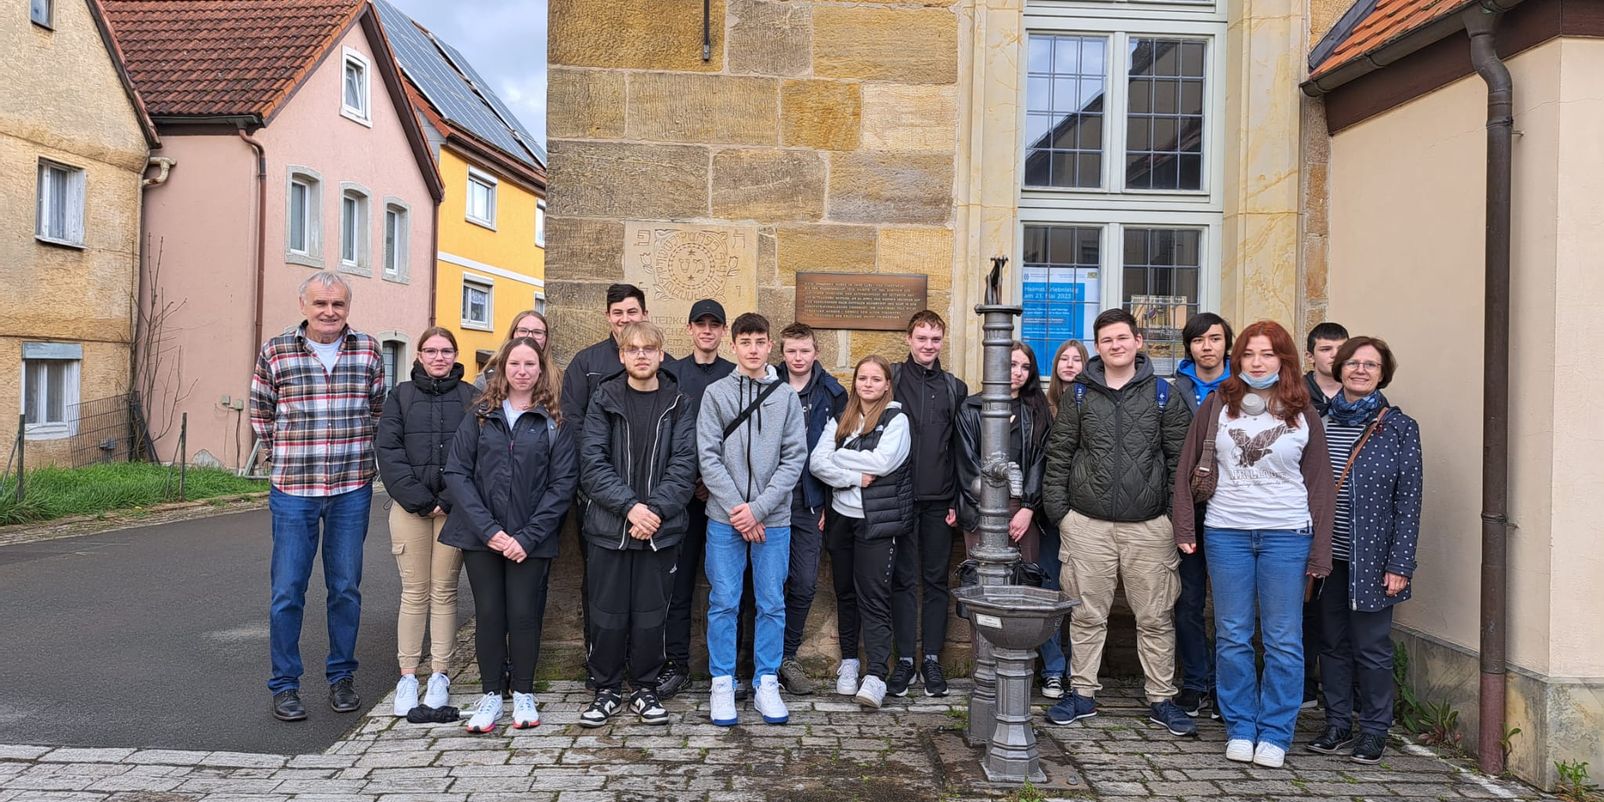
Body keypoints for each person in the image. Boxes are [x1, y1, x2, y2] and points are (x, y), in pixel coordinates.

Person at [1171, 320, 1335, 768]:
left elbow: (1320, 487)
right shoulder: (1218, 406)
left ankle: (1277, 732)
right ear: (1237, 359)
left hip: (1287, 535)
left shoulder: (1304, 412)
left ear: (1284, 360)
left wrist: (1320, 551)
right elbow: (1187, 468)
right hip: (1226, 533)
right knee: (1232, 635)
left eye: (1267, 354)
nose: (1257, 362)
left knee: (1283, 638)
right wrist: (1185, 528)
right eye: (1249, 354)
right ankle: (1241, 725)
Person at [1041, 308, 1195, 737]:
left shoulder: (1164, 394)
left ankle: (1162, 698)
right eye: (1106, 340)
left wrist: (1169, 520)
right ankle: (1083, 693)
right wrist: (1062, 515)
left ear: (1139, 341)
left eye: (1122, 338)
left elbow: (1179, 463)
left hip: (1149, 528)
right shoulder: (1078, 395)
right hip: (1086, 525)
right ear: (1098, 347)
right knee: (1087, 617)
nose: (1115, 345)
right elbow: (1060, 455)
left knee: (1155, 617)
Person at [250, 271, 386, 723]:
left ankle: (341, 677)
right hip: (294, 489)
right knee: (288, 590)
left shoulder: (368, 349)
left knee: (345, 587)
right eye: (321, 303)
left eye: (338, 304)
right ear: (303, 305)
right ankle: (285, 685)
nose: (330, 311)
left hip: (351, 485)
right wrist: (281, 455)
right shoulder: (276, 350)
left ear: (348, 307)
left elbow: (378, 409)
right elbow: (260, 410)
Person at [442, 337, 577, 733]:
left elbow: (562, 484)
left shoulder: (554, 421)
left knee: (522, 616)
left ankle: (522, 693)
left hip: (529, 541)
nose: (521, 370)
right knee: (489, 615)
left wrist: (526, 537)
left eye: (529, 364)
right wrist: (491, 532)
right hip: (481, 538)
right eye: (514, 363)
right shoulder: (480, 415)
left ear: (541, 369)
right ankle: (489, 696)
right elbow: (456, 473)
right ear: (502, 369)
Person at [577, 322, 699, 727]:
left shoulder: (679, 401)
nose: (641, 354)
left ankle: (646, 688)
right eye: (633, 349)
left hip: (659, 532)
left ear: (662, 354)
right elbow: (592, 464)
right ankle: (606, 689)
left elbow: (685, 465)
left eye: (649, 348)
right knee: (606, 613)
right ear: (622, 355)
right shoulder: (603, 398)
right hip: (610, 527)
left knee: (651, 614)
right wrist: (631, 508)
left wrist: (655, 512)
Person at [1307, 336, 1422, 765]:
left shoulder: (1399, 428)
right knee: (1331, 643)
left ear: (1382, 373)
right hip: (1324, 557)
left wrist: (1400, 563)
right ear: (1339, 369)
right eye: (1352, 362)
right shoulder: (1317, 420)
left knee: (1372, 647)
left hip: (1372, 560)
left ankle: (1374, 729)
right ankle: (1337, 722)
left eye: (1370, 365)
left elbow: (1409, 500)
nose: (1360, 370)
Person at [696, 313, 807, 726]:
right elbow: (707, 456)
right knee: (723, 602)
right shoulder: (715, 394)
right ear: (734, 345)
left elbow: (795, 457)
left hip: (772, 520)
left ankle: (765, 681)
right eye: (746, 342)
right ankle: (722, 682)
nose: (754, 349)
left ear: (768, 346)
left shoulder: (785, 398)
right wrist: (738, 511)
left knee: (771, 603)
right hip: (725, 519)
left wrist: (757, 509)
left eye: (760, 341)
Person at [375, 326, 477, 716]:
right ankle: (407, 675)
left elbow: (477, 454)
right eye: (431, 350)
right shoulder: (399, 397)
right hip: (410, 509)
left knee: (445, 590)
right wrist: (421, 500)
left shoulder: (471, 397)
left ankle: (440, 673)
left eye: (446, 351)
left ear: (455, 355)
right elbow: (389, 452)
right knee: (414, 591)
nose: (439, 357)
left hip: (456, 509)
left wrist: (450, 498)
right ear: (419, 355)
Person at [809, 355, 913, 709]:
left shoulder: (896, 420)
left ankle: (877, 675)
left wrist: (839, 456)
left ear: (886, 384)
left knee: (874, 596)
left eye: (875, 379)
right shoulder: (842, 418)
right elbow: (817, 462)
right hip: (841, 518)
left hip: (876, 522)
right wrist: (852, 473)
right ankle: (850, 662)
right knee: (845, 593)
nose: (868, 384)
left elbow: (883, 462)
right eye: (862, 378)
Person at [955, 342, 1055, 695]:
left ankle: (1018, 675)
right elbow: (966, 462)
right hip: (982, 510)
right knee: (982, 589)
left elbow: (1042, 460)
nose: (1016, 372)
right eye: (1010, 364)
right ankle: (984, 672)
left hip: (1023, 510)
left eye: (1024, 367)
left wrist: (1028, 506)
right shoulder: (971, 408)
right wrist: (988, 510)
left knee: (1023, 587)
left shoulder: (1036, 411)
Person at [888, 310, 968, 698]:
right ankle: (904, 660)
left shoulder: (955, 388)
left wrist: (957, 499)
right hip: (899, 500)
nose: (928, 345)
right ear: (909, 338)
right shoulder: (892, 380)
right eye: (921, 338)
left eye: (935, 339)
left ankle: (932, 659)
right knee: (902, 581)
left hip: (940, 502)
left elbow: (962, 449)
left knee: (936, 582)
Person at [658, 299, 735, 698]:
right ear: (689, 329)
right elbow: (668, 433)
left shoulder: (736, 375)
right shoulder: (672, 373)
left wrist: (714, 483)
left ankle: (731, 668)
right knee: (679, 584)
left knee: (729, 587)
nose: (707, 331)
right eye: (700, 324)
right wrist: (689, 482)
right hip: (682, 497)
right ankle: (676, 664)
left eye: (714, 325)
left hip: (727, 498)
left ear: (723, 332)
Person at [1168, 312, 1235, 717]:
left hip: (1235, 510)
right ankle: (1195, 682)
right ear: (1188, 346)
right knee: (1188, 601)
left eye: (1215, 339)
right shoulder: (1175, 390)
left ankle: (1226, 688)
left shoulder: (1243, 389)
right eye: (1198, 340)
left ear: (1228, 344)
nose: (1206, 346)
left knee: (1232, 605)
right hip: (1188, 508)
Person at [777, 322, 847, 695]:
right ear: (782, 353)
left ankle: (787, 656)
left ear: (816, 352)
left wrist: (827, 503)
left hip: (810, 503)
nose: (798, 358)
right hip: (769, 501)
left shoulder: (833, 393)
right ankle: (760, 662)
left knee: (803, 584)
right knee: (765, 585)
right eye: (791, 351)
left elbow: (841, 452)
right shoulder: (767, 385)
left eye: (805, 351)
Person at [1300, 320, 1348, 708]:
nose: (1334, 357)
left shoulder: (1366, 398)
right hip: (1300, 507)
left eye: (1340, 350)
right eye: (1327, 350)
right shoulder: (1295, 395)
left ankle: (1341, 690)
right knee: (1300, 603)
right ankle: (1302, 685)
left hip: (1346, 515)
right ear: (1310, 354)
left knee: (1334, 604)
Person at [561, 283, 649, 423]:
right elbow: (572, 416)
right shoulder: (585, 362)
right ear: (608, 316)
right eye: (617, 313)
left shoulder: (664, 363)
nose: (625, 319)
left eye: (632, 312)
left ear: (644, 315)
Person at [474, 310, 549, 390]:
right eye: (523, 331)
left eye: (537, 332)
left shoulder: (559, 380)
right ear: (512, 334)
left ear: (546, 338)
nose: (530, 337)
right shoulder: (487, 379)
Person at [1303, 322, 1348, 417]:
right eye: (1326, 349)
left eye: (1342, 349)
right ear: (1310, 357)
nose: (1335, 355)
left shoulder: (1363, 393)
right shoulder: (1292, 392)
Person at [1046, 339, 1089, 416]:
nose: (1069, 364)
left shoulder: (1093, 403)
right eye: (1064, 359)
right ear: (1056, 364)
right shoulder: (1042, 403)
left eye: (1077, 360)